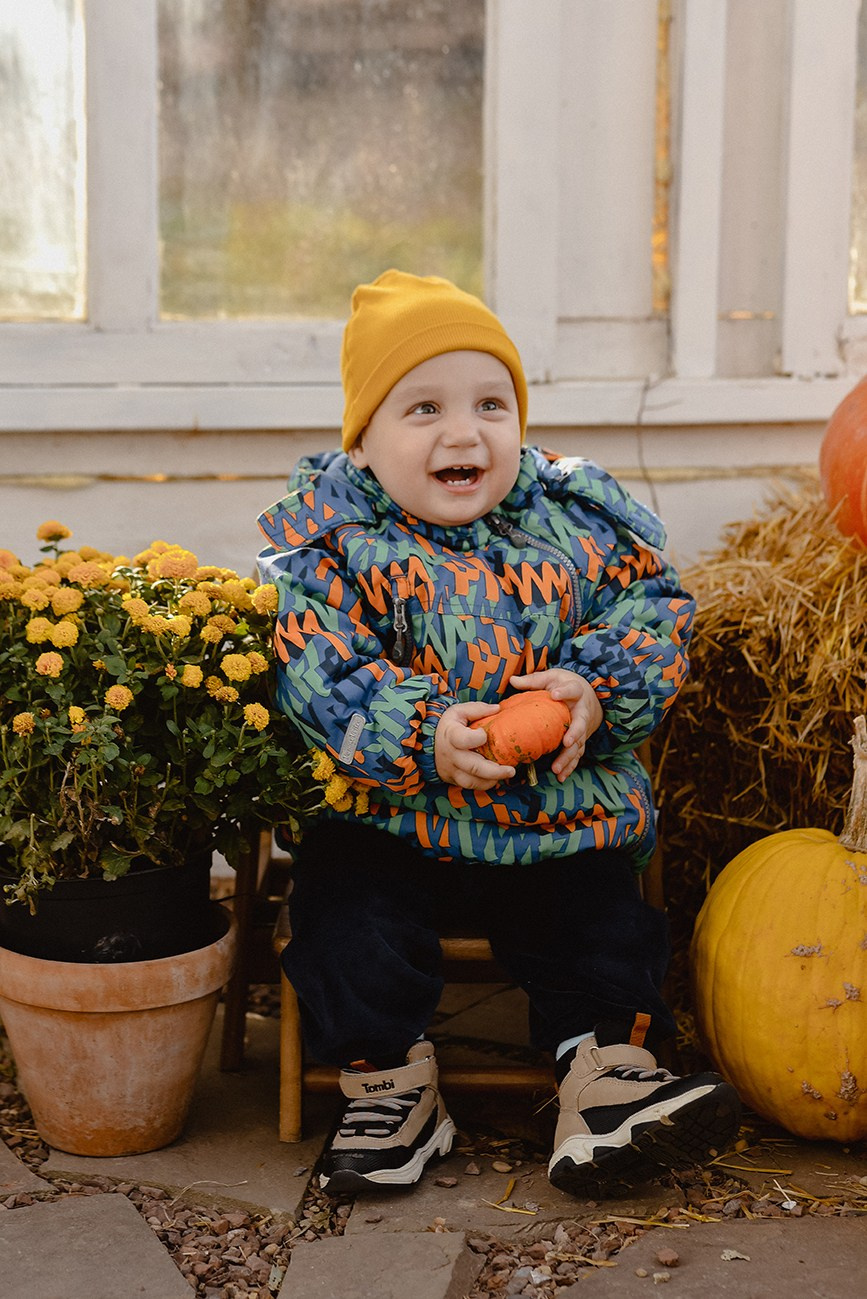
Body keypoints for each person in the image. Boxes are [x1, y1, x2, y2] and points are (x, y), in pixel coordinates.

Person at [256, 269, 740, 1199]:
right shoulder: (334, 541)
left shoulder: (577, 525)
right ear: (361, 444)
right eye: (423, 408)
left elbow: (655, 612)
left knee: (602, 920)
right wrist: (420, 732)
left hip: (554, 814)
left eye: (490, 402)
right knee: (343, 919)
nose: (463, 431)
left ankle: (604, 1079)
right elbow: (319, 666)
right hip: (390, 817)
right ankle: (389, 1082)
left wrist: (595, 689)